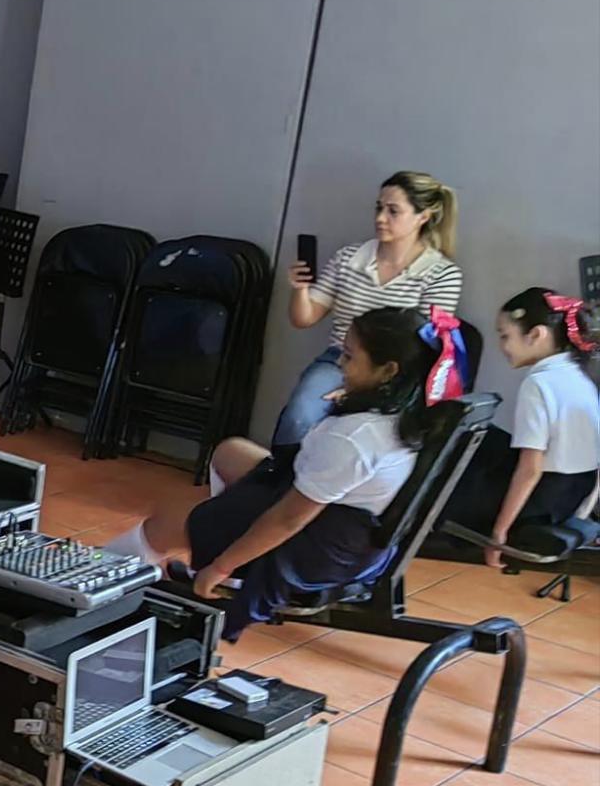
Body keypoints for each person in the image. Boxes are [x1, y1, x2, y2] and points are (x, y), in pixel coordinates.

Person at [108, 306, 450, 637]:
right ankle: (214, 541)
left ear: (388, 371)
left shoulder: (356, 438)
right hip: (343, 521)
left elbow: (289, 519)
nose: (340, 364)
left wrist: (221, 566)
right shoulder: (407, 412)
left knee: (165, 521)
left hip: (314, 543)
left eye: (349, 356)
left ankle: (100, 579)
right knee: (230, 452)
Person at [274, 171, 462, 452]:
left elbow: (425, 345)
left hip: (394, 372)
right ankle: (275, 480)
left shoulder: (441, 273)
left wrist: (362, 389)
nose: (380, 218)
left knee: (368, 436)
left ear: (423, 216)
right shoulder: (350, 257)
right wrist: (300, 288)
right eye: (379, 208)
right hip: (341, 359)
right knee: (300, 416)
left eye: (393, 211)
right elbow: (304, 318)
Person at [442, 287, 600, 563]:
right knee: (484, 438)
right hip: (570, 494)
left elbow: (530, 469)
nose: (502, 346)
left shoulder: (538, 384)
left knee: (454, 454)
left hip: (538, 504)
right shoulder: (579, 372)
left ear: (536, 334)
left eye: (505, 336)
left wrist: (498, 535)